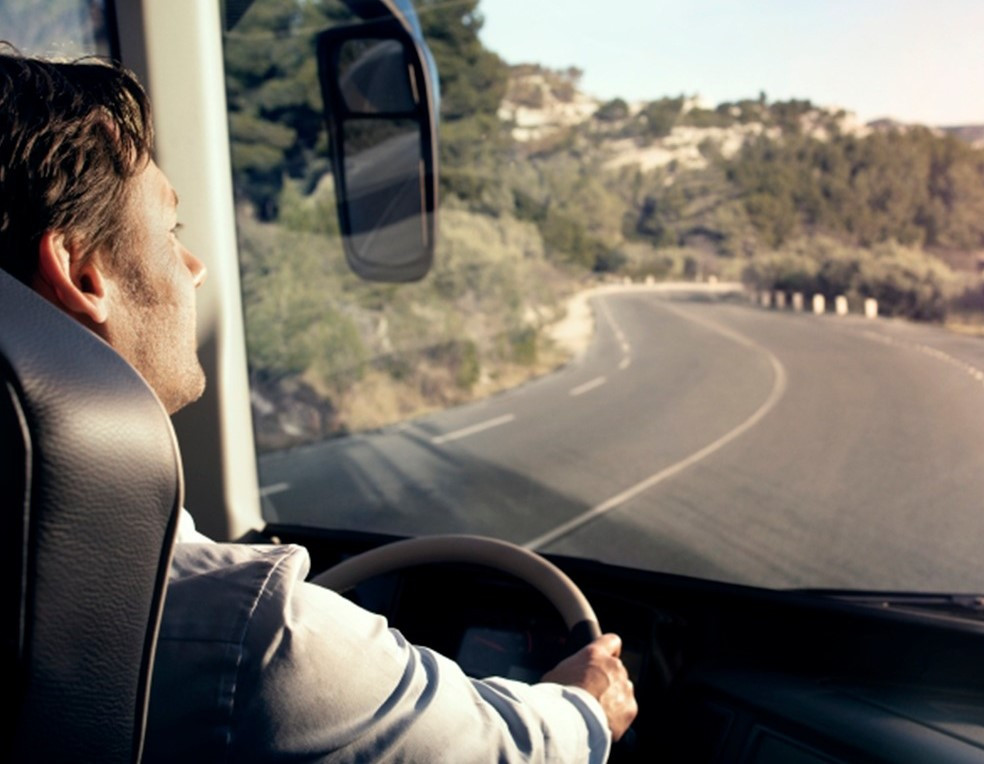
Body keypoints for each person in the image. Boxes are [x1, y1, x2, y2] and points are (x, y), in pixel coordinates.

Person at [0, 50, 637, 762]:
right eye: (171, 233)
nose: (196, 267)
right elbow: (504, 748)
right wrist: (587, 705)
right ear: (85, 273)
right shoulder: (249, 633)